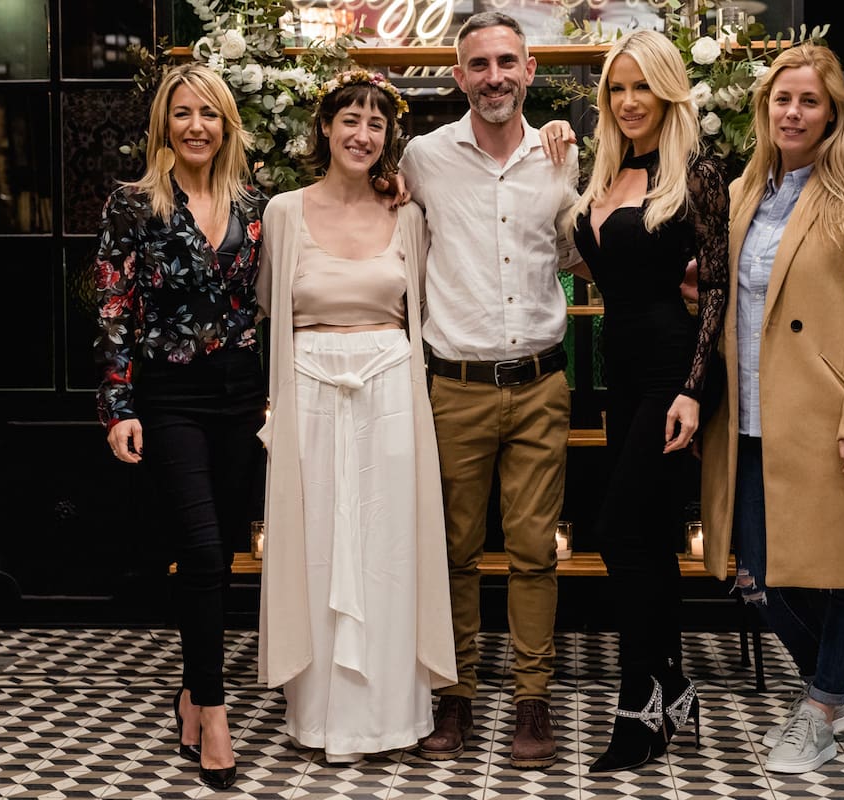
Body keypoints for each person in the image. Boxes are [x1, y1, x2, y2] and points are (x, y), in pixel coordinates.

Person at [700, 43, 844, 775]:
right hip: (748, 419)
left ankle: (819, 707)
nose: (793, 112)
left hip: (825, 415)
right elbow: (736, 295)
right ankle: (835, 685)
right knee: (757, 575)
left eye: (808, 101)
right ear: (764, 110)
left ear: (832, 112)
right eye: (781, 100)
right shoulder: (740, 194)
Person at [254, 70, 457, 764]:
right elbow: (268, 309)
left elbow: (423, 307)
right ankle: (320, 720)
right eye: (350, 120)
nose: (362, 134)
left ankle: (394, 717)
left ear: (387, 137)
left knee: (387, 551)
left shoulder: (409, 216)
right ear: (324, 128)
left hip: (391, 396)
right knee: (317, 551)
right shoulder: (283, 212)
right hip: (310, 395)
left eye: (376, 123)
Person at [399, 11, 584, 769]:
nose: (495, 77)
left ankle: (532, 700)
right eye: (479, 65)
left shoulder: (559, 157)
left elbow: (574, 255)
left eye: (508, 62)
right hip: (456, 387)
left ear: (531, 69)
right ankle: (456, 696)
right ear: (458, 77)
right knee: (454, 552)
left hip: (541, 382)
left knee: (537, 551)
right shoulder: (422, 157)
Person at [94, 63, 267, 791]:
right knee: (197, 549)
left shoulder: (259, 203)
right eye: (183, 112)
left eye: (210, 113)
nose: (197, 125)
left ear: (227, 123)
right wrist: (119, 405)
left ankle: (191, 694)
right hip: (170, 396)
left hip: (243, 396)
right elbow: (113, 310)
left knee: (222, 551)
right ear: (164, 123)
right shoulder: (133, 205)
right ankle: (215, 709)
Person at [562, 29, 729, 772]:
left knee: (618, 532)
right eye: (617, 90)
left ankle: (640, 701)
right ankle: (674, 684)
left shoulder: (698, 174)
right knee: (650, 537)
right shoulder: (606, 175)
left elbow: (717, 287)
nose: (630, 103)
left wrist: (695, 390)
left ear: (670, 94)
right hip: (622, 372)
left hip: (672, 370)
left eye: (643, 89)